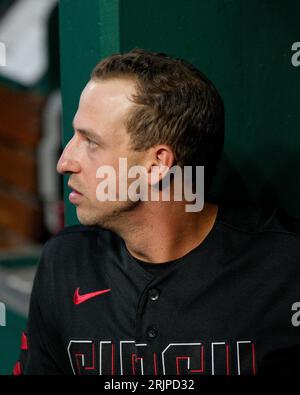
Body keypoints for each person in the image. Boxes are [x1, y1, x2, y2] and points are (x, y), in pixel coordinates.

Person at [14, 49, 300, 375]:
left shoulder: (285, 269)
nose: (64, 162)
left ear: (157, 165)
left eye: (91, 142)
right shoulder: (66, 261)